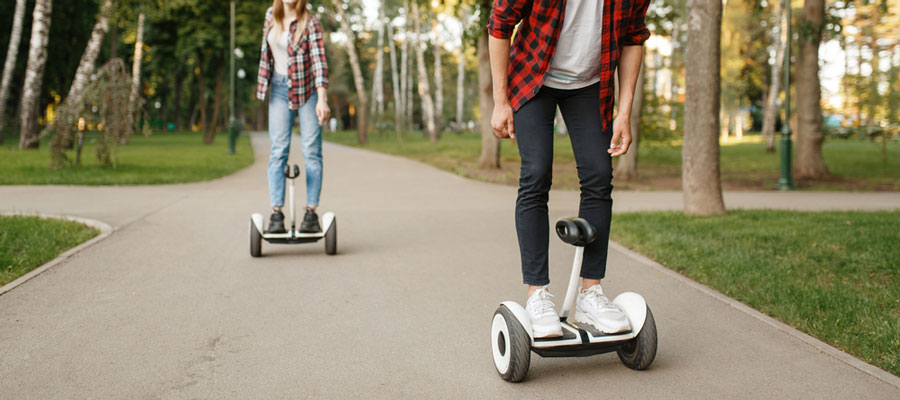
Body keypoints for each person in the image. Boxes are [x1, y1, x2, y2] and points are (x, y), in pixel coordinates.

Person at [487, 0, 650, 337]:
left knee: (598, 177)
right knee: (536, 173)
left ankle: (591, 292)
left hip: (590, 86)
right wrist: (501, 102)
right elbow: (500, 24)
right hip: (534, 77)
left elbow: (633, 37)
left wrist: (624, 112)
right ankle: (537, 294)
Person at [256, 0, 330, 233]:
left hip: (307, 90)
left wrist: (322, 99)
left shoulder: (310, 22)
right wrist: (262, 84)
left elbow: (319, 62)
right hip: (278, 88)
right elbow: (266, 54)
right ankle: (276, 213)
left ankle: (311, 212)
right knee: (278, 151)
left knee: (311, 150)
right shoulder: (271, 15)